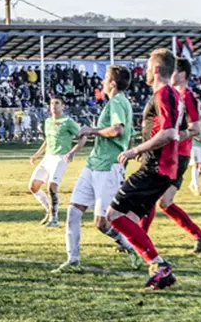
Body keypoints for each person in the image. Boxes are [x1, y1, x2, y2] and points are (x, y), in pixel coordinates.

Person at [53, 65, 139, 274]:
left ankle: (130, 247)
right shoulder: (116, 102)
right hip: (93, 165)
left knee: (102, 223)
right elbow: (131, 134)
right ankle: (73, 260)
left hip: (107, 168)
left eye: (105, 78)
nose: (101, 82)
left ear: (112, 83)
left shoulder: (118, 101)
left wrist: (91, 130)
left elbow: (118, 130)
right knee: (73, 211)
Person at [108, 48, 181, 290]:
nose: (146, 71)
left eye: (149, 67)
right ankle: (160, 269)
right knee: (129, 219)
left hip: (155, 168)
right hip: (159, 167)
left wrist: (135, 150)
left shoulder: (163, 93)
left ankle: (159, 265)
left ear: (157, 70)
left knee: (113, 215)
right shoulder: (165, 94)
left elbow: (169, 132)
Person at [139, 58, 201, 253]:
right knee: (163, 201)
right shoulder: (171, 95)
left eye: (173, 71)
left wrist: (178, 136)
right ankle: (199, 235)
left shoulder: (186, 96)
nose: (170, 74)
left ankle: (138, 239)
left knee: (152, 197)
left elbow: (195, 128)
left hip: (177, 156)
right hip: (170, 154)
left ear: (182, 74)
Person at [28, 97, 80, 227]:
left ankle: (54, 219)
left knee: (51, 186)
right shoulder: (48, 122)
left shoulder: (68, 121)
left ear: (63, 106)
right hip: (48, 157)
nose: (54, 106)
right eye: (52, 103)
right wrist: (37, 155)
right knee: (33, 186)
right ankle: (48, 209)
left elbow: (82, 136)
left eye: (57, 103)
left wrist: (72, 152)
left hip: (60, 157)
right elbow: (48, 140)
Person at [190, 103, 201, 196]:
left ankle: (192, 183)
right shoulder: (189, 115)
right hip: (194, 143)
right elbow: (188, 129)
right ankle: (196, 187)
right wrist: (196, 137)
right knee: (195, 164)